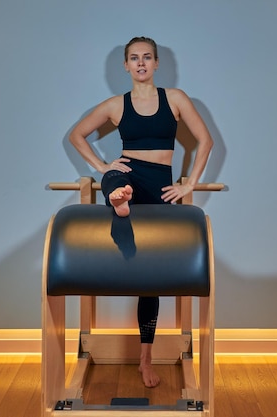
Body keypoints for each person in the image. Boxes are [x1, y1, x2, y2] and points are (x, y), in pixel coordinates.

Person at [68, 36, 214, 388]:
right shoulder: (117, 105)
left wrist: (189, 183)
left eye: (147, 57)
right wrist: (101, 165)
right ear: (126, 65)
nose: (141, 63)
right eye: (134, 58)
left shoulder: (175, 99)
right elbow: (77, 135)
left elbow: (205, 140)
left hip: (160, 186)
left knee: (149, 281)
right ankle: (119, 200)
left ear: (157, 63)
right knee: (116, 177)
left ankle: (145, 360)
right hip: (127, 174)